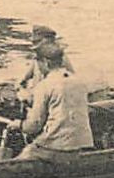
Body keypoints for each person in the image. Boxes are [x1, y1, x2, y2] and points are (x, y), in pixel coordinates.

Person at [9, 26, 97, 161]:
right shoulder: (79, 82)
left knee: (27, 152)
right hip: (83, 143)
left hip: (59, 147)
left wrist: (18, 124)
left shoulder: (44, 86)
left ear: (44, 62)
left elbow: (33, 126)